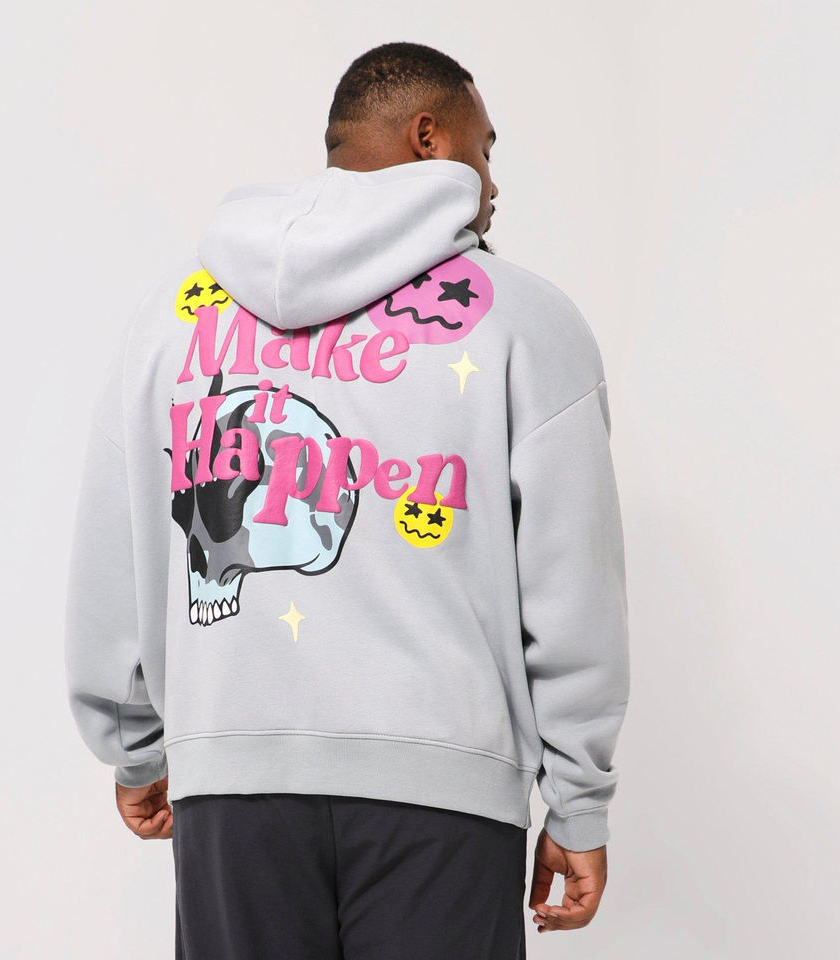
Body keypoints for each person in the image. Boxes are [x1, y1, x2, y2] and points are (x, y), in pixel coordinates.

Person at [64, 40, 630, 959]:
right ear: (428, 137)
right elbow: (573, 585)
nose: (492, 184)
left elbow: (118, 548)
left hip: (233, 783)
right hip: (447, 794)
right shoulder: (525, 321)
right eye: (486, 150)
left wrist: (136, 743)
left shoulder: (175, 318)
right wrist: (578, 799)